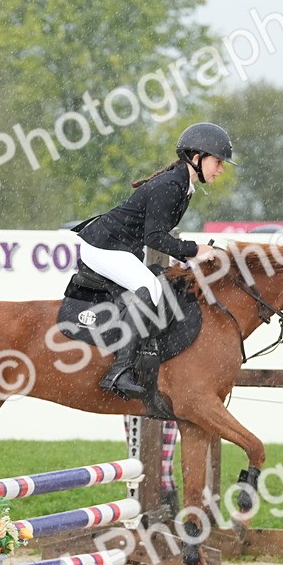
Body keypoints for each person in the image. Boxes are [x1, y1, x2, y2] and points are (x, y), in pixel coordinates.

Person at [74, 122, 236, 397]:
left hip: (117, 247)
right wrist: (195, 250)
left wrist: (189, 258)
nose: (221, 169)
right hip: (103, 246)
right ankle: (119, 371)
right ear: (197, 158)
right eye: (218, 162)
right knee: (151, 288)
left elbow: (158, 237)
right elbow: (155, 238)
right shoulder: (172, 185)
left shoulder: (183, 184)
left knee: (157, 283)